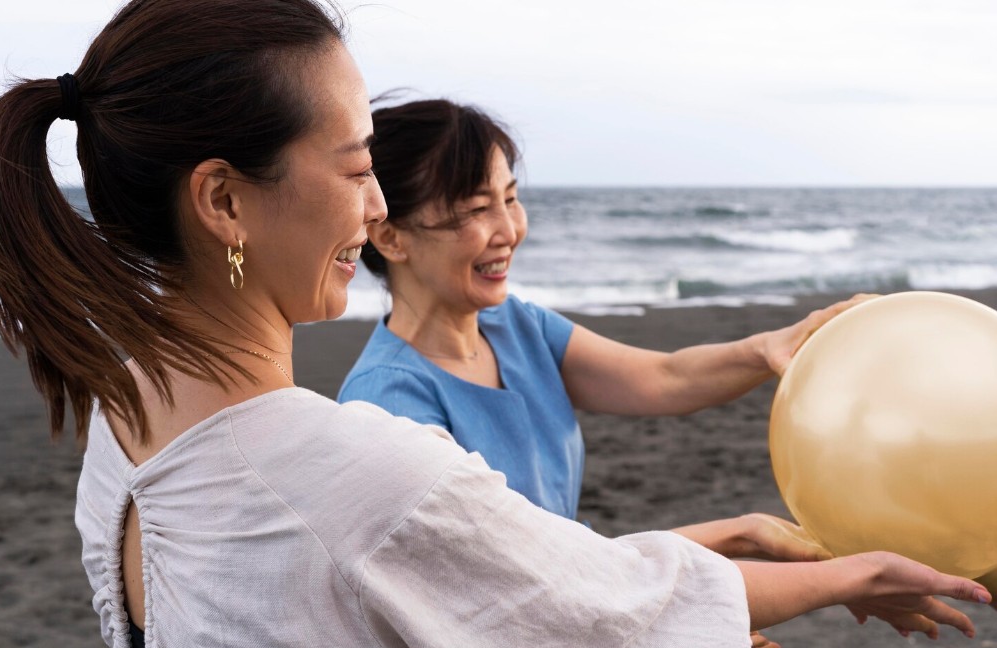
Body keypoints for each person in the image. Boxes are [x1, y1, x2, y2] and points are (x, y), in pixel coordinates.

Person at [0, 1, 990, 648]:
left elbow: (508, 575)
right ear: (223, 202)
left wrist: (740, 521)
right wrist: (848, 573)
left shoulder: (124, 417)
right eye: (355, 169)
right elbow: (565, 602)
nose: (373, 207)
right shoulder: (356, 459)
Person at [339, 98, 862, 520]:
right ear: (390, 237)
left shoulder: (519, 327)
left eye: (511, 199)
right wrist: (733, 540)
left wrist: (767, 348)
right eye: (476, 209)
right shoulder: (385, 402)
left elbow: (665, 378)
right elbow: (506, 576)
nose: (510, 230)